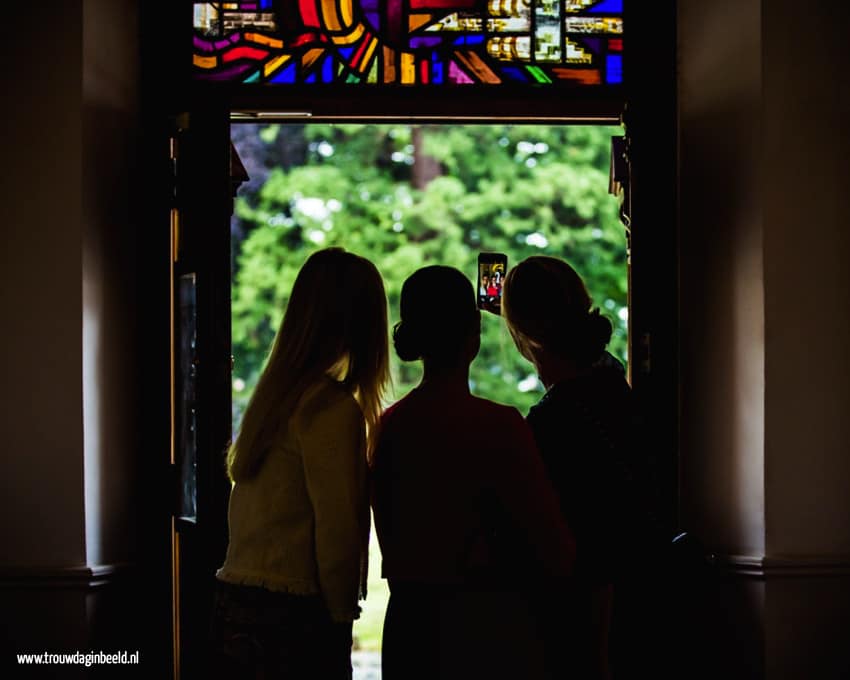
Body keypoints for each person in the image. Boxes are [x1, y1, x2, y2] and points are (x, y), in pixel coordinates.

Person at [371, 264, 576, 680]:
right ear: (473, 339)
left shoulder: (389, 425)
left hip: (410, 628)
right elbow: (554, 547)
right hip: (485, 629)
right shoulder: (500, 426)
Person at [209, 247, 391, 680]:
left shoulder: (275, 403)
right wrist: (340, 614)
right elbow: (338, 535)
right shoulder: (329, 411)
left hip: (234, 603)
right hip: (292, 614)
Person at [500, 255, 665, 680]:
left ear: (523, 334)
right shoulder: (622, 397)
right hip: (645, 610)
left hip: (579, 621)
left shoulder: (549, 423)